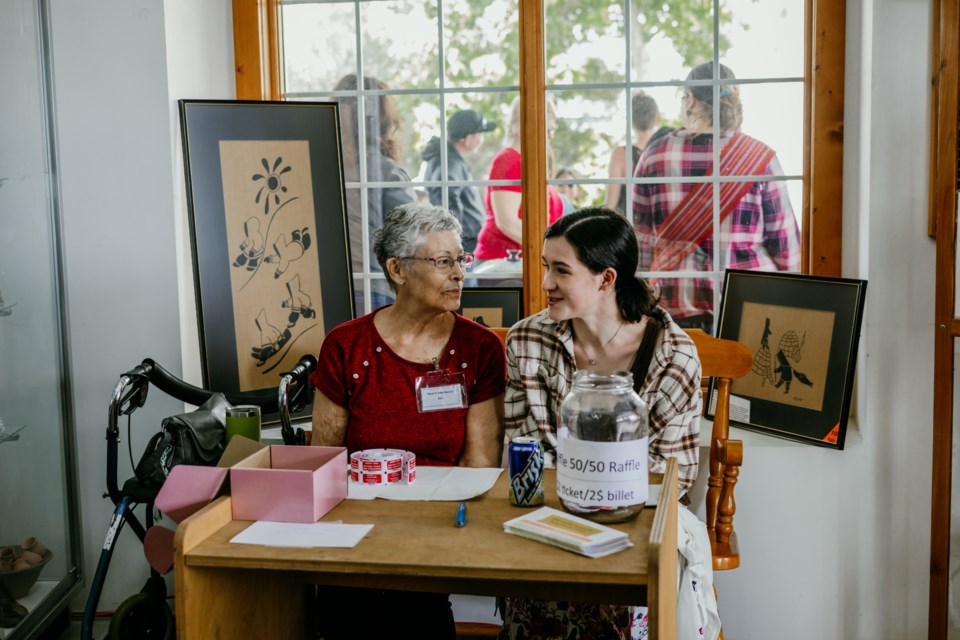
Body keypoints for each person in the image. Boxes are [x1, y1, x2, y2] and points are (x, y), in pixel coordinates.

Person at [501, 207, 702, 639]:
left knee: (612, 595)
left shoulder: (673, 354)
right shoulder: (526, 340)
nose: (545, 284)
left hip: (640, 520)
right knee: (538, 579)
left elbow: (674, 476)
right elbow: (523, 446)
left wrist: (593, 510)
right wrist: (563, 514)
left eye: (561, 271)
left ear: (606, 279)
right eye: (544, 267)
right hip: (551, 513)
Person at [309, 202, 506, 639]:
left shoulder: (480, 349)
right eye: (442, 261)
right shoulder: (346, 346)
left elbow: (479, 467)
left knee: (416, 611)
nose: (458, 273)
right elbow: (323, 460)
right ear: (397, 269)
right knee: (347, 610)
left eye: (461, 259)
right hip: (357, 529)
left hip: (436, 529)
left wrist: (434, 540)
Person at [633, 62, 801, 332]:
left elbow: (640, 247)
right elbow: (787, 252)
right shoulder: (761, 159)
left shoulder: (654, 156)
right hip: (748, 309)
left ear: (690, 99)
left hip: (675, 312)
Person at [333, 74, 416, 275]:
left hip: (328, 280)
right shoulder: (388, 172)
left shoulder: (319, 167)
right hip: (376, 282)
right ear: (384, 121)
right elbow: (412, 234)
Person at [474, 96, 565, 263]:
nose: (550, 137)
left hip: (523, 263)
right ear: (527, 126)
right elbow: (507, 222)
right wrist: (552, 252)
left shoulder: (529, 163)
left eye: (552, 130)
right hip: (503, 263)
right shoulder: (509, 160)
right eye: (547, 130)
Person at [421, 109, 497, 253]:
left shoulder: (448, 159)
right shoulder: (450, 162)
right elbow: (446, 194)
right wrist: (455, 236)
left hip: (465, 241)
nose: (481, 139)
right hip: (464, 243)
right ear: (468, 139)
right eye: (479, 134)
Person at [604, 92, 673, 214]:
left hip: (631, 226)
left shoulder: (620, 154)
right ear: (657, 119)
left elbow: (610, 206)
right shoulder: (667, 150)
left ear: (631, 121)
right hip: (662, 224)